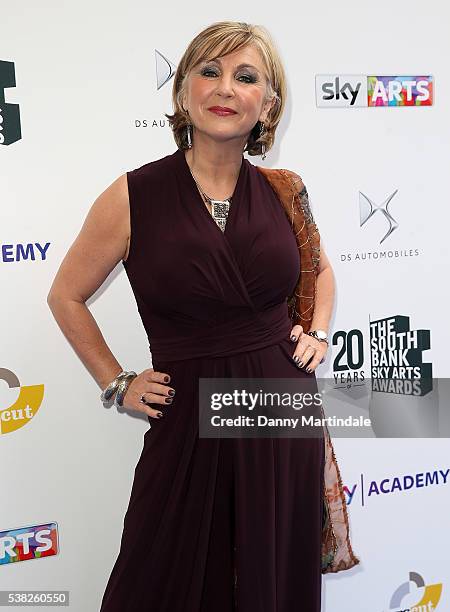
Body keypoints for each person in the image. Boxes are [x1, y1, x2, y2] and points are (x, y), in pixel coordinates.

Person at [47, 20, 342, 612]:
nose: (225, 88)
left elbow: (322, 271)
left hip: (281, 416)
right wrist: (116, 381)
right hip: (188, 420)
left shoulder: (285, 190)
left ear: (268, 103)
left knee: (272, 576)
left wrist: (316, 330)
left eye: (245, 76)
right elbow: (65, 295)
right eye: (209, 71)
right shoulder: (133, 196)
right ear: (183, 91)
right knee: (165, 575)